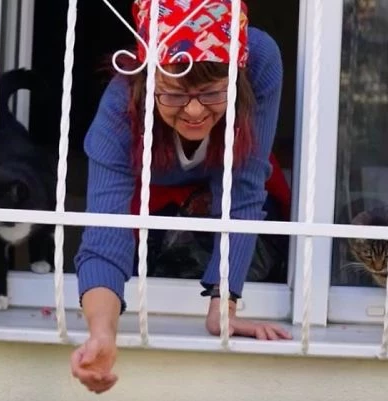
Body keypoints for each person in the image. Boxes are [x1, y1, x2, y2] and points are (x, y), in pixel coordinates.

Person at [70, 0, 291, 394]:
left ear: (237, 80)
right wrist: (102, 335)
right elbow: (106, 234)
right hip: (154, 192)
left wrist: (223, 310)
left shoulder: (259, 61)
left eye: (209, 93)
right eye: (172, 94)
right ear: (147, 81)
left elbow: (243, 187)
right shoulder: (119, 110)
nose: (193, 111)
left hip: (227, 182)